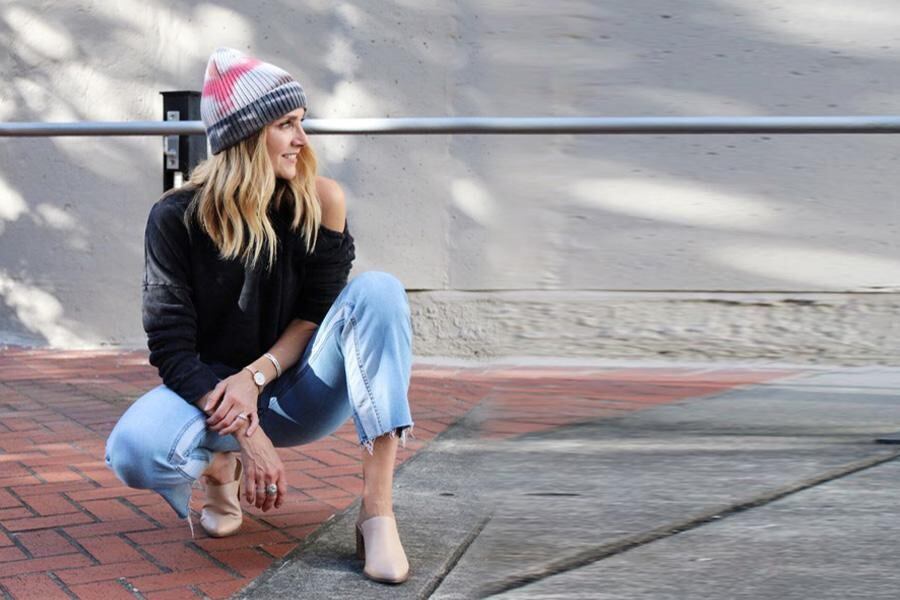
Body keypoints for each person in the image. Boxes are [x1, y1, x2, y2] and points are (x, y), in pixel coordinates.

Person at [105, 47, 413, 584]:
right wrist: (245, 428)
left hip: (299, 389)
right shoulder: (175, 217)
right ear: (245, 136)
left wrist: (256, 377)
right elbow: (171, 348)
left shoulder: (319, 200)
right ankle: (220, 472)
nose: (302, 140)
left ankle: (377, 511)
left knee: (380, 291)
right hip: (211, 396)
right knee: (135, 451)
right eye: (286, 125)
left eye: (301, 123)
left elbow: (318, 315)